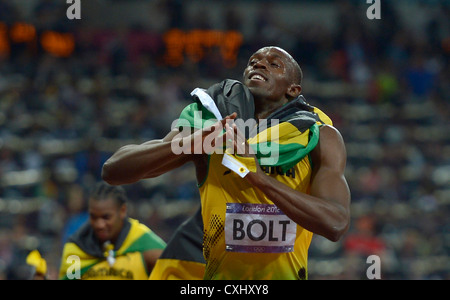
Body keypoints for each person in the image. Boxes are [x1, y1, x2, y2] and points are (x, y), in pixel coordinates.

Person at [102, 46, 351, 280]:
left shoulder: (319, 137)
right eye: (253, 62)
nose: (260, 65)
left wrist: (258, 178)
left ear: (293, 89)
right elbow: (113, 170)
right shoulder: (213, 124)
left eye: (274, 64)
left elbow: (336, 223)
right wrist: (194, 143)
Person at [58, 182, 166, 280]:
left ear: (122, 211)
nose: (99, 224)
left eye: (106, 217)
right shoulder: (76, 250)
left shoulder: (143, 243)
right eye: (94, 217)